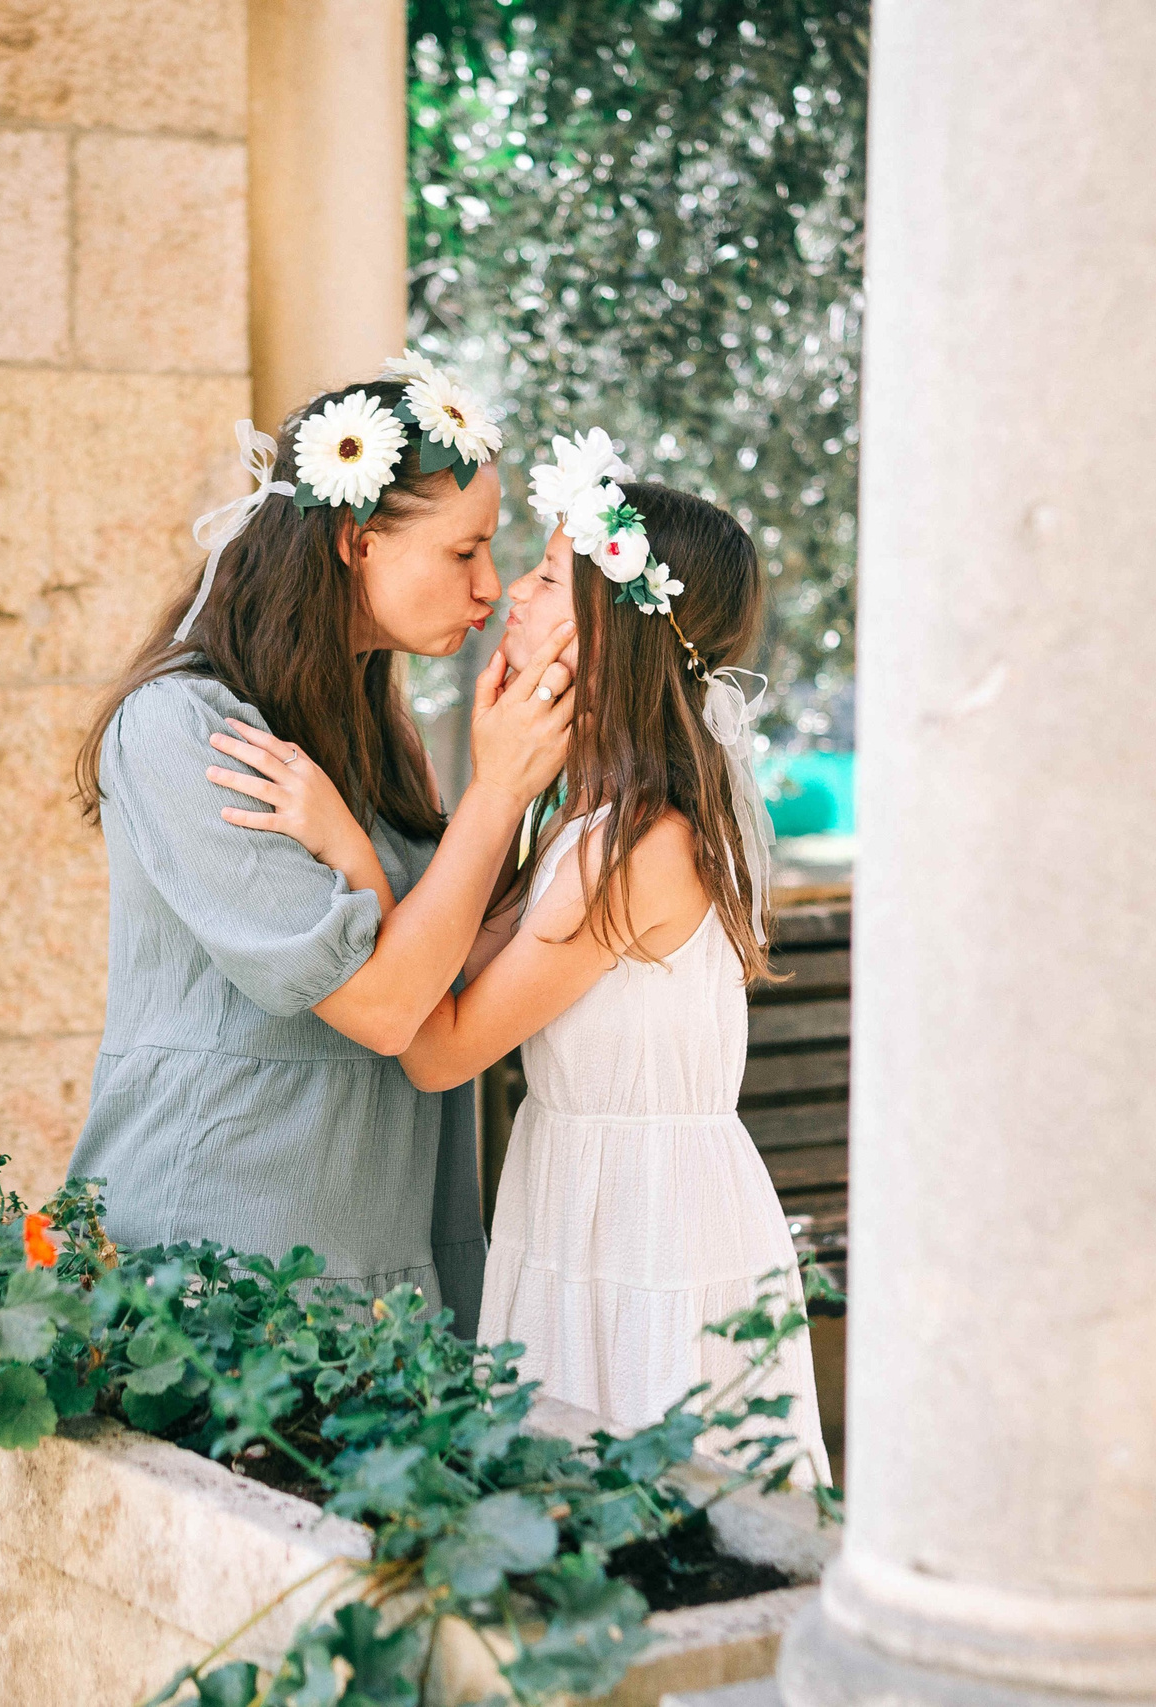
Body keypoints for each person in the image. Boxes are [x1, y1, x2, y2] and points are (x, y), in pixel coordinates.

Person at [215, 427, 828, 1481]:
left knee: (654, 1493)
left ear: (608, 631)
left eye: (547, 579)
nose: (512, 596)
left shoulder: (637, 849)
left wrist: (348, 846)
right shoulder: (588, 818)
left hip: (643, 1219)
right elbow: (449, 967)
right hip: (579, 1191)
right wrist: (492, 779)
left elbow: (436, 1047)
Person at [64, 356, 576, 1333]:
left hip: (385, 1255)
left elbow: (452, 966)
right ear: (356, 540)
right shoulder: (184, 727)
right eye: (464, 551)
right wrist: (498, 790)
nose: (491, 584)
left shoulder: (378, 735)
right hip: (222, 1251)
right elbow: (384, 1009)